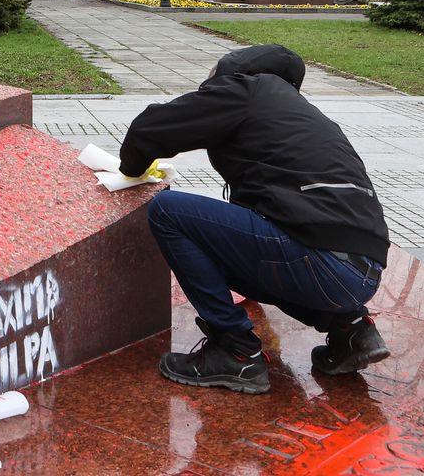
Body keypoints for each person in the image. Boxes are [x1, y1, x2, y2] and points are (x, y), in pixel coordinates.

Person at [119, 44, 390, 395]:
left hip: (318, 261)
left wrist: (129, 172)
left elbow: (151, 128)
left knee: (168, 211)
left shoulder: (248, 89)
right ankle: (352, 331)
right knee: (228, 251)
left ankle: (235, 351)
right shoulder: (303, 113)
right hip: (362, 274)